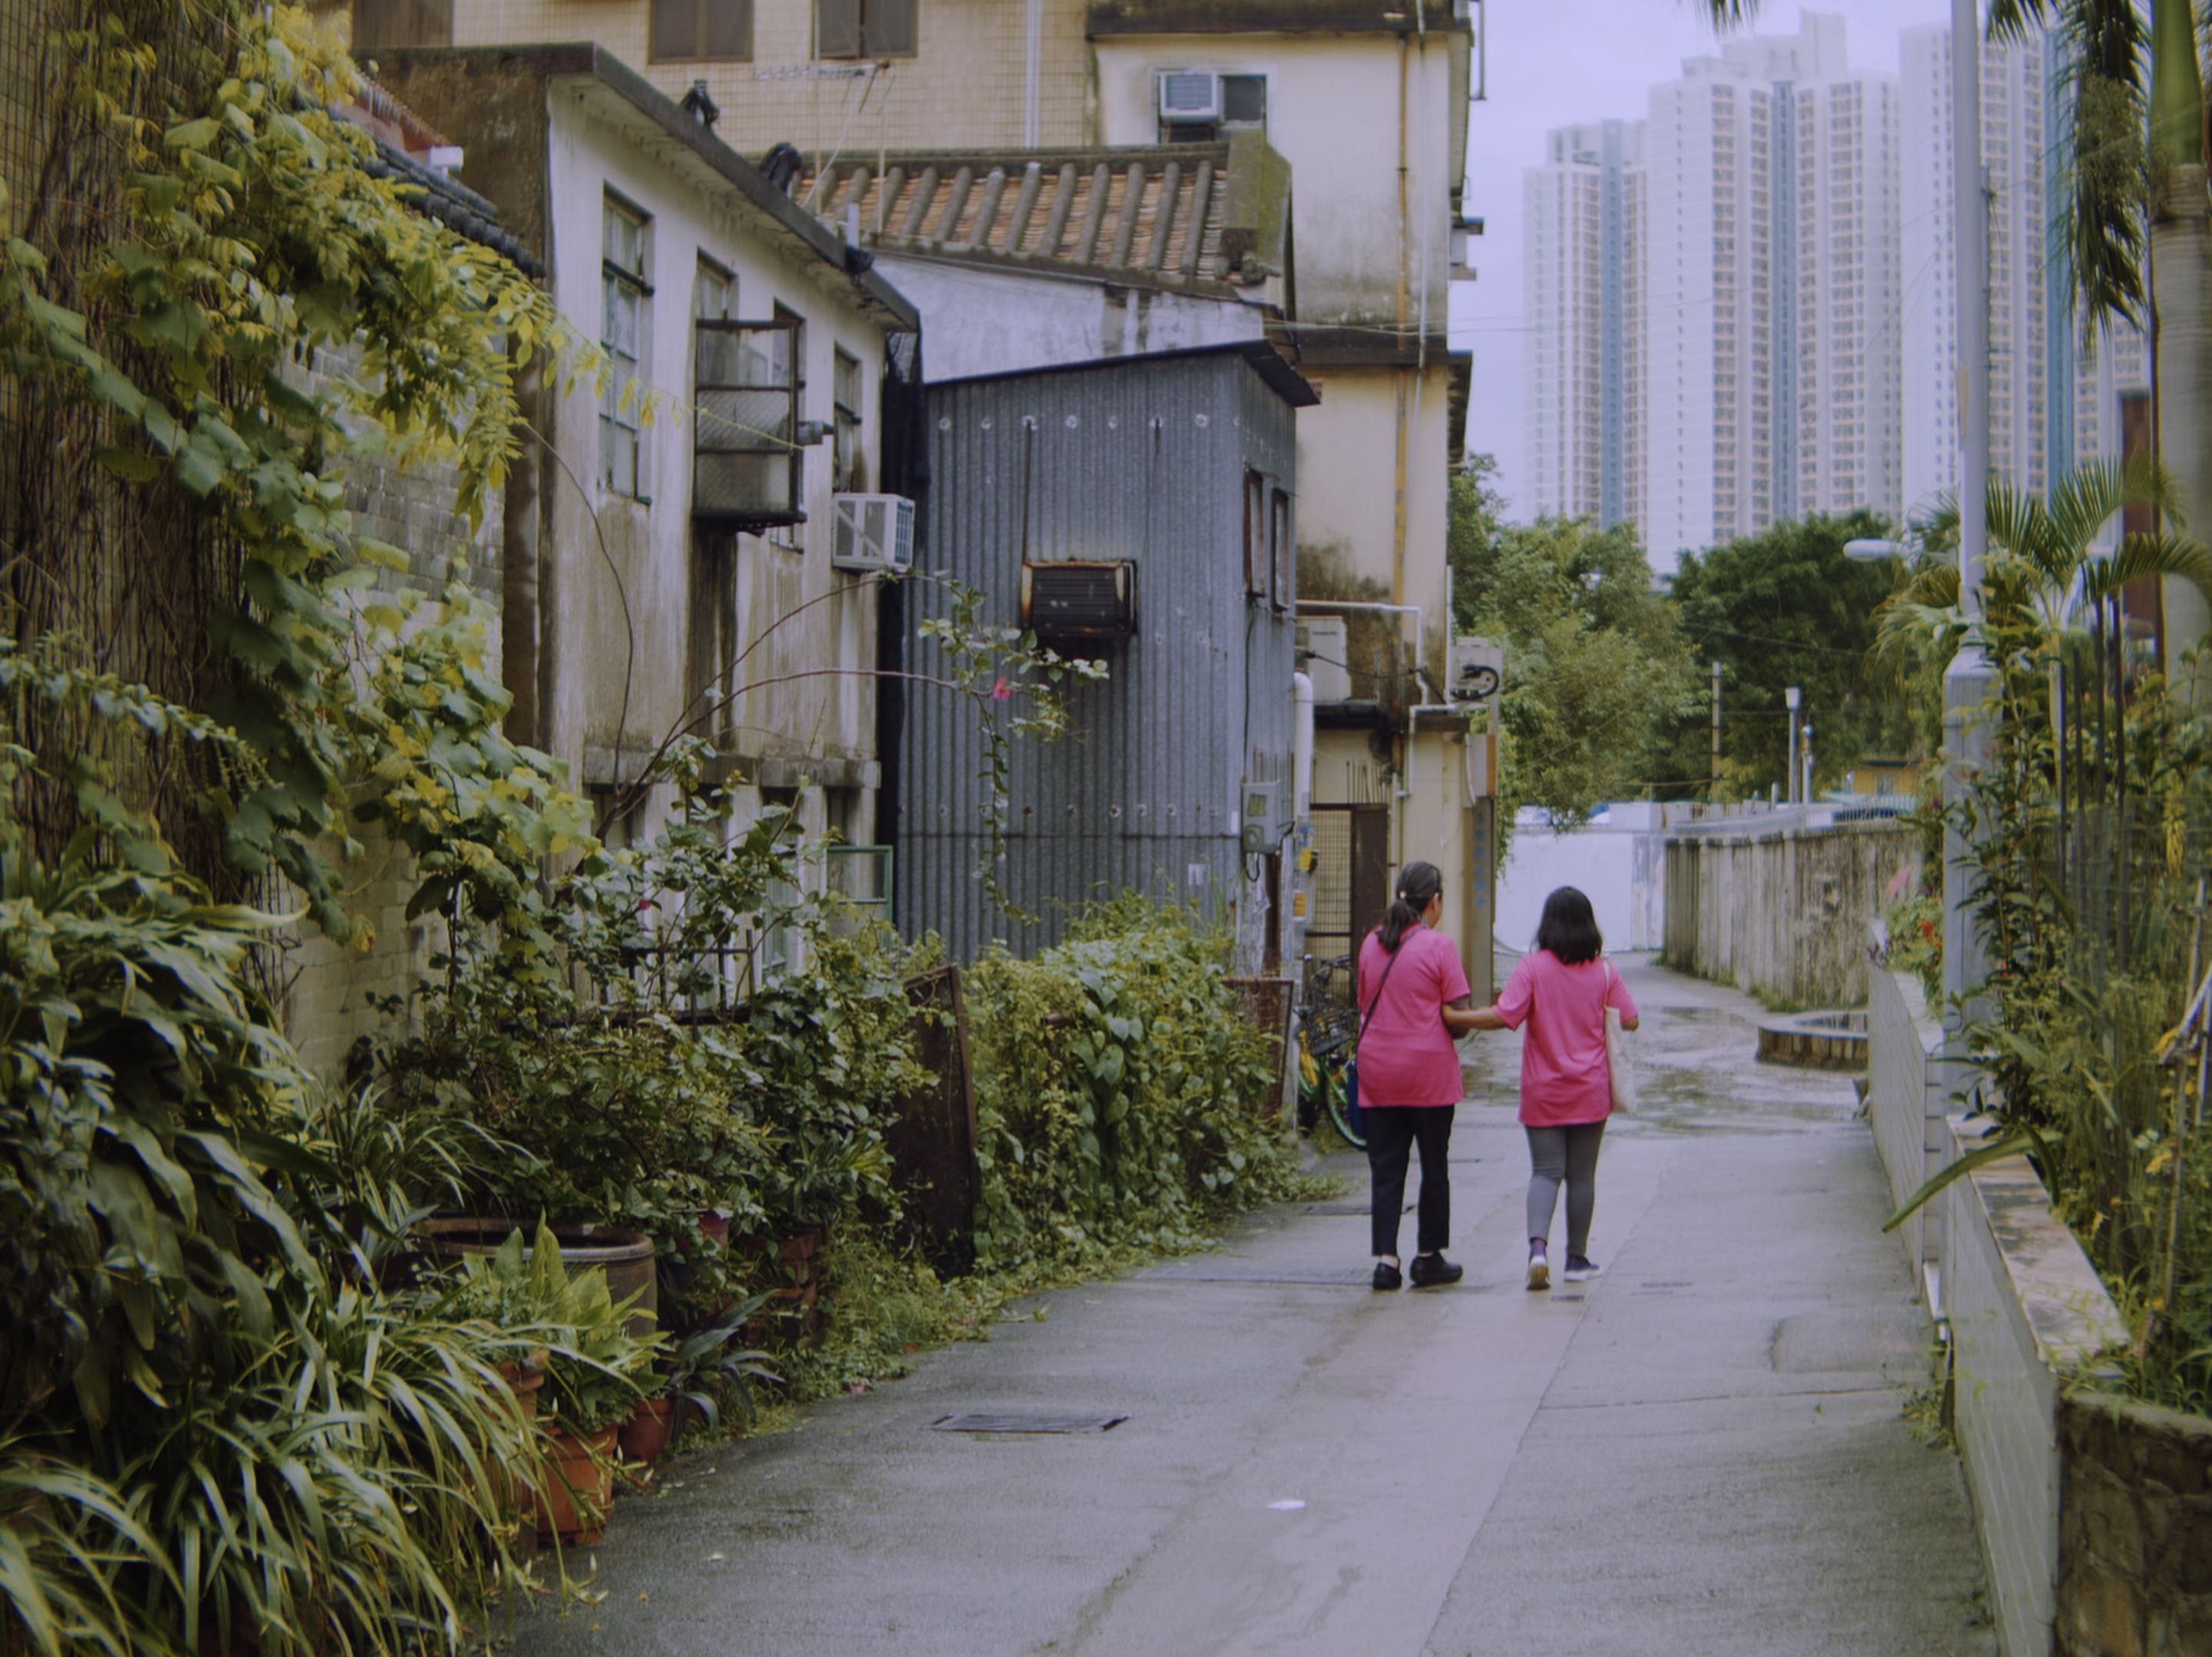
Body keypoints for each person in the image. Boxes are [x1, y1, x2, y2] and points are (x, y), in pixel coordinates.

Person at [1464, 886, 1639, 1291]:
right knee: (1582, 1177)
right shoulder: (1604, 971)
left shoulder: (1532, 968)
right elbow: (1630, 1020)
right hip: (1591, 1090)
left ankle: (1537, 1252)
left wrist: (1459, 1016)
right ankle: (1576, 1259)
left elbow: (1505, 1015)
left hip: (1543, 1090)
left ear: (1548, 924)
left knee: (1545, 1173)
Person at [1357, 861, 1484, 1290]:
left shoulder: (1370, 945)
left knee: (1386, 1169)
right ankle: (1428, 1257)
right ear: (1435, 902)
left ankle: (1386, 1262)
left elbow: (1363, 1002)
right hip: (1428, 1078)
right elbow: (1460, 1019)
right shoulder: (1439, 948)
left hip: (1378, 1075)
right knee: (1433, 1165)